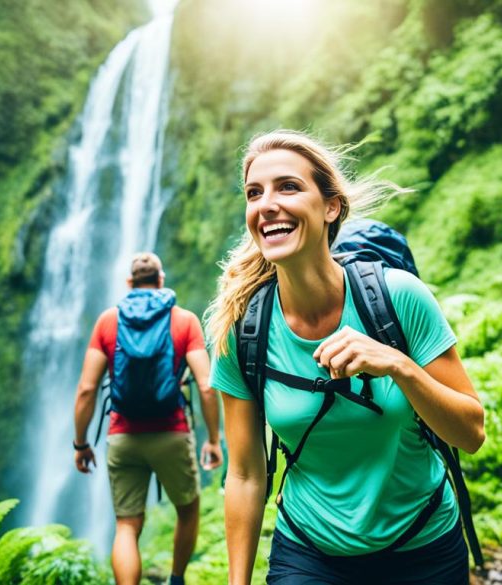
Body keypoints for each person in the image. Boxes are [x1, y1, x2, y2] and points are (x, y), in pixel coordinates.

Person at [206, 130, 485, 585]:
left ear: (331, 207)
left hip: (423, 545)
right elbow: (243, 474)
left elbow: (470, 433)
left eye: (288, 187)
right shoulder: (243, 331)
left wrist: (398, 365)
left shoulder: (399, 298)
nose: (267, 203)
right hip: (310, 552)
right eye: (254, 193)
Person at [73, 253, 223, 585]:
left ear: (129, 283)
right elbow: (206, 386)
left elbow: (86, 389)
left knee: (127, 525)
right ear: (161, 280)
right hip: (172, 433)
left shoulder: (107, 322)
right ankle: (177, 578)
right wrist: (213, 439)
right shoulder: (183, 321)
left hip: (122, 435)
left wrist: (81, 443)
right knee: (188, 509)